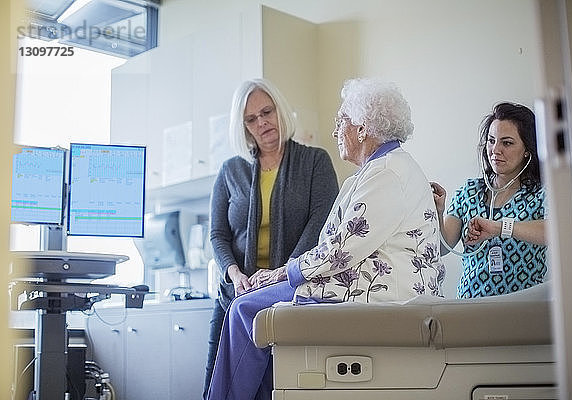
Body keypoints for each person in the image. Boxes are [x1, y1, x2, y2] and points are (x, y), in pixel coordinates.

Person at [206, 78, 445, 400]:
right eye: (251, 118)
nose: (335, 132)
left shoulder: (385, 173)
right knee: (247, 312)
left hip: (372, 292)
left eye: (341, 121)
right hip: (363, 282)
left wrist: (281, 272)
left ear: (362, 128)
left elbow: (341, 249)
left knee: (245, 309)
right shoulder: (381, 169)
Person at [203, 78, 339, 398]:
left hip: (288, 293)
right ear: (244, 126)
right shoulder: (230, 171)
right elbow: (218, 233)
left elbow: (319, 227)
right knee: (215, 386)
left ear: (280, 110)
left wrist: (278, 275)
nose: (262, 122)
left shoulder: (315, 162)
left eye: (267, 111)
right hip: (235, 295)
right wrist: (235, 274)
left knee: (274, 388)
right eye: (251, 119)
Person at [430, 102, 547, 298]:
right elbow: (443, 248)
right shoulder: (469, 192)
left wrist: (500, 228)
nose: (495, 150)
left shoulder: (539, 194)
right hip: (471, 306)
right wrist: (439, 212)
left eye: (507, 143)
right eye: (491, 141)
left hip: (523, 309)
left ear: (528, 149)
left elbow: (554, 233)